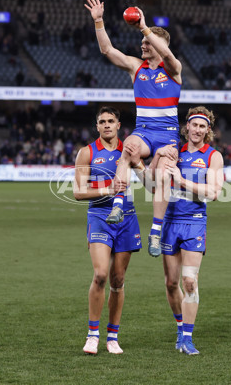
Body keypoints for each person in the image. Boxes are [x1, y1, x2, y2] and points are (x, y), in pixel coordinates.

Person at [85, 0, 181, 257]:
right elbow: (108, 51)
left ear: (158, 45)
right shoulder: (136, 68)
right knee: (128, 146)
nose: (143, 46)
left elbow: (169, 55)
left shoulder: (173, 69)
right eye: (142, 43)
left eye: (147, 43)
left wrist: (144, 27)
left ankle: (156, 231)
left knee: (160, 179)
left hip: (168, 136)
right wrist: (98, 22)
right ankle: (118, 204)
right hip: (146, 131)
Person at [128, 106, 224, 355]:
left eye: (203, 126)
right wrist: (142, 163)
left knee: (189, 281)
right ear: (187, 127)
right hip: (169, 222)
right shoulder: (173, 151)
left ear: (208, 131)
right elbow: (151, 187)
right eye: (194, 125)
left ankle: (188, 338)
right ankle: (181, 329)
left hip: (194, 222)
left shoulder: (213, 156)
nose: (197, 130)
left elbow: (214, 193)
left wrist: (182, 181)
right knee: (172, 283)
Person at [73, 106, 141, 355]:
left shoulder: (129, 150)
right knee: (101, 274)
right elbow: (79, 192)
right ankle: (93, 334)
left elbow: (151, 183)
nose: (106, 125)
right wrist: (108, 190)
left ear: (118, 125)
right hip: (100, 217)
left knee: (118, 280)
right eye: (102, 121)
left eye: (111, 121)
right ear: (97, 126)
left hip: (127, 218)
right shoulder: (87, 153)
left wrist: (141, 166)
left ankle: (113, 336)